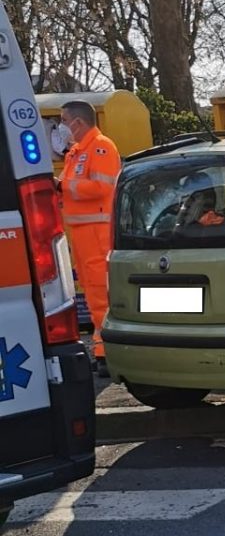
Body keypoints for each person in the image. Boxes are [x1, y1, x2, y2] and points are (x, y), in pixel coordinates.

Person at [55, 100, 121, 376]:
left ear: (78, 122)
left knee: (101, 293)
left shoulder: (101, 147)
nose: (61, 127)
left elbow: (101, 188)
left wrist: (63, 186)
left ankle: (109, 353)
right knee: (93, 295)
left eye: (63, 120)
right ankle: (103, 351)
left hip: (97, 232)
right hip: (81, 234)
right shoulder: (76, 152)